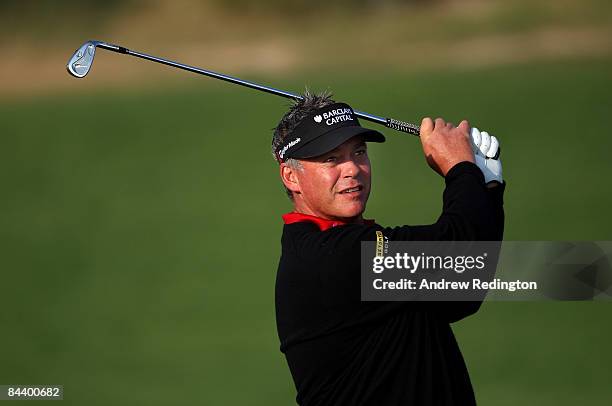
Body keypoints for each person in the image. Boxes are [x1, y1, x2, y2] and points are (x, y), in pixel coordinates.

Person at [272, 91, 505, 406]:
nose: (352, 169)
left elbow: (461, 292)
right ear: (290, 176)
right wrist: (462, 169)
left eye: (359, 152)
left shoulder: (347, 243)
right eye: (331, 159)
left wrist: (486, 184)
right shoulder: (333, 258)